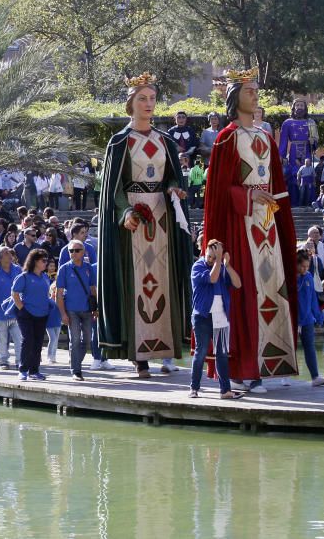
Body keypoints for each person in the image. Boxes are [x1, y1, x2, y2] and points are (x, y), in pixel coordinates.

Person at [202, 67, 299, 394]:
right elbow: (218, 191)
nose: (255, 95)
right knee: (245, 296)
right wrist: (248, 195)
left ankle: (272, 363)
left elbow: (279, 186)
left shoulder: (265, 138)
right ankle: (245, 370)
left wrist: (284, 226)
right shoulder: (226, 137)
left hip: (268, 226)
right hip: (240, 228)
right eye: (248, 91)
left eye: (256, 90)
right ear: (234, 99)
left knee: (274, 290)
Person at [96, 73, 193, 379]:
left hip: (163, 219)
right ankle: (138, 356)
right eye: (142, 98)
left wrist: (175, 188)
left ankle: (166, 350)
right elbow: (113, 188)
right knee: (137, 284)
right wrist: (125, 212)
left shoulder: (164, 141)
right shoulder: (119, 142)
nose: (149, 104)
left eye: (152, 98)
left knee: (164, 279)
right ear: (130, 103)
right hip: (135, 224)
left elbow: (173, 176)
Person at [189, 239, 242, 399]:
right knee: (201, 352)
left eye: (214, 257)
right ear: (204, 252)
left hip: (221, 317)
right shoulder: (198, 266)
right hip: (202, 317)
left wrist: (227, 265)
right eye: (209, 256)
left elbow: (238, 284)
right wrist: (219, 259)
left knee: (222, 354)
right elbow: (212, 278)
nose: (211, 260)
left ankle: (225, 391)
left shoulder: (222, 267)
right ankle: (194, 388)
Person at [56, 240, 97, 381]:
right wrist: (62, 314)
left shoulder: (88, 268)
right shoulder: (64, 269)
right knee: (74, 340)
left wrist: (96, 308)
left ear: (83, 251)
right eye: (71, 251)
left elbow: (93, 289)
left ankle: (75, 362)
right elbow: (59, 293)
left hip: (86, 309)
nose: (73, 253)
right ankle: (76, 371)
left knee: (87, 339)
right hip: (71, 310)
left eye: (76, 250)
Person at [12, 248, 53, 381]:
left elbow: (46, 294)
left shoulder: (46, 277)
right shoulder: (24, 276)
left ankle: (34, 371)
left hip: (42, 314)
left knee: (38, 342)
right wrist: (22, 309)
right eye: (43, 260)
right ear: (35, 261)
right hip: (26, 314)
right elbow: (15, 293)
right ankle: (23, 370)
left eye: (47, 260)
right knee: (28, 340)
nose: (46, 263)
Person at [294, 249, 324, 387]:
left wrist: (318, 316)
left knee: (309, 347)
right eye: (302, 266)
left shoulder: (309, 277)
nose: (305, 269)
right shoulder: (289, 278)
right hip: (292, 320)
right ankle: (285, 375)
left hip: (307, 320)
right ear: (296, 264)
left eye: (307, 266)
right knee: (290, 347)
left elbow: (313, 300)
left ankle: (315, 376)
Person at [278, 98, 319, 171]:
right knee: (293, 171)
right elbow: (283, 142)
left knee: (307, 171)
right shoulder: (287, 123)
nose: (299, 107)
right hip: (293, 151)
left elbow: (315, 140)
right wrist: (281, 156)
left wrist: (313, 142)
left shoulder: (310, 122)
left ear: (305, 108)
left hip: (306, 151)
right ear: (294, 108)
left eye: (301, 105)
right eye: (297, 105)